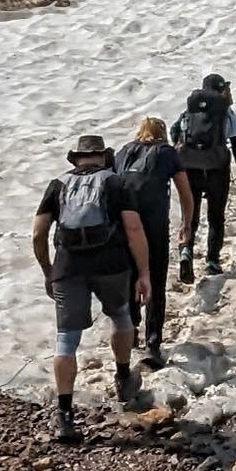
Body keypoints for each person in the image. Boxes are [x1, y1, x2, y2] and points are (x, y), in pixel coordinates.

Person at [32, 130, 154, 442]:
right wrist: (144, 273)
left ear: (76, 158)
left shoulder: (58, 184)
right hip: (111, 266)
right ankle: (124, 379)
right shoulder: (115, 182)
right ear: (103, 156)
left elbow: (38, 233)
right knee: (121, 316)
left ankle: (66, 415)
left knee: (66, 341)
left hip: (68, 268)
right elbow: (134, 228)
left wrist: (48, 270)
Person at [113, 115, 184, 361]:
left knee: (130, 278)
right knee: (155, 280)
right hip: (154, 228)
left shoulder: (122, 153)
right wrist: (187, 223)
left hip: (123, 229)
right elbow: (184, 190)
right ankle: (153, 341)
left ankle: (131, 330)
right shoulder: (167, 152)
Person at [171, 74, 236, 281]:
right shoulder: (227, 113)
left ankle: (186, 252)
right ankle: (212, 262)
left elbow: (174, 135)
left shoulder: (188, 113)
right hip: (217, 170)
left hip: (190, 170)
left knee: (190, 216)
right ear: (222, 90)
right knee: (216, 218)